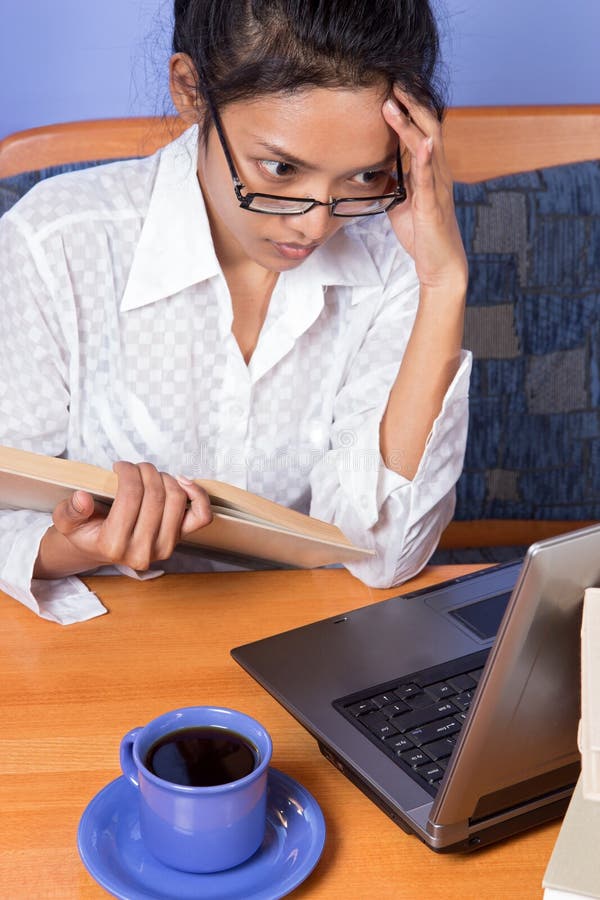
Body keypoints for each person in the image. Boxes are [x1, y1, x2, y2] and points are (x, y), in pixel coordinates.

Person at [0, 0, 470, 624]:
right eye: (279, 169)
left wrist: (443, 282)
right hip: (104, 642)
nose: (314, 224)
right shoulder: (59, 243)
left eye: (363, 176)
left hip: (308, 640)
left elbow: (384, 553)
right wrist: (69, 546)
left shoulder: (400, 256)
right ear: (191, 92)